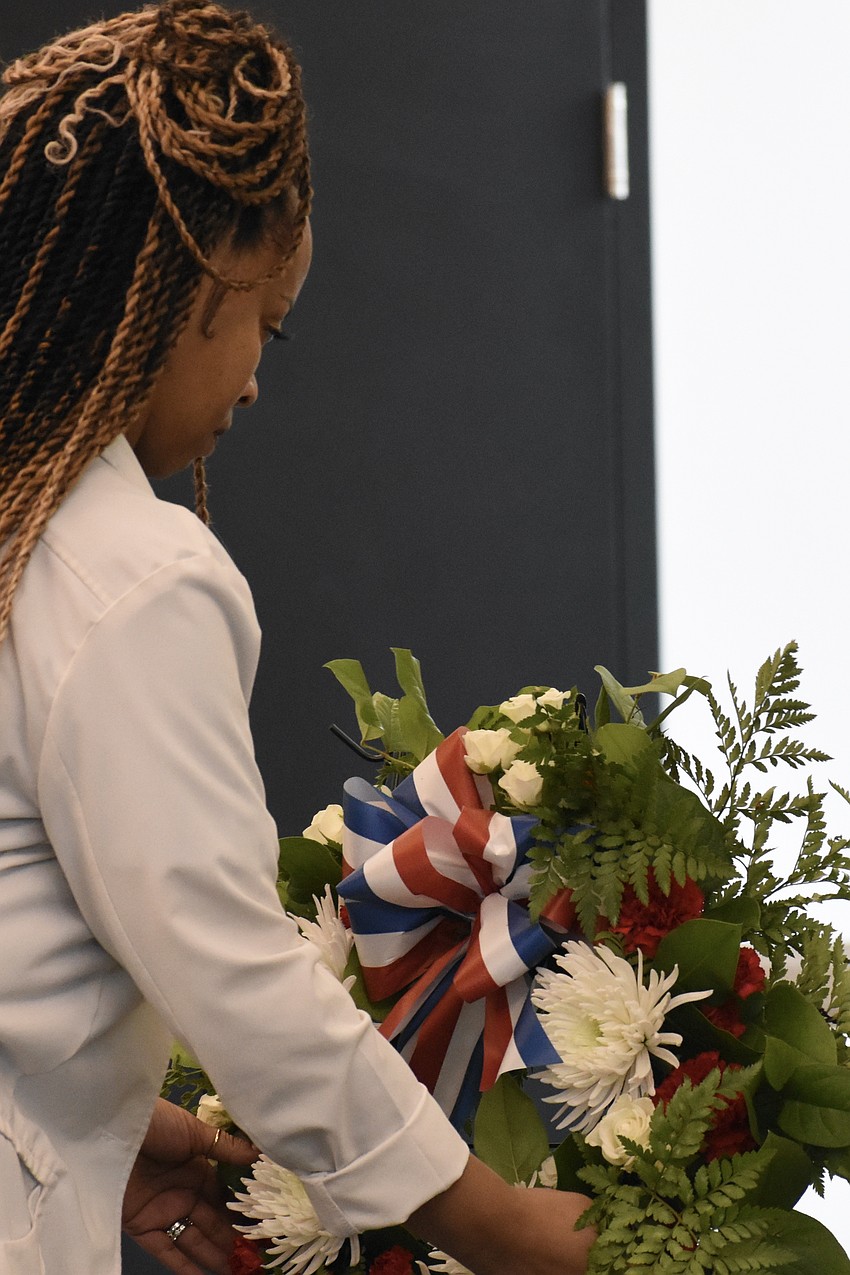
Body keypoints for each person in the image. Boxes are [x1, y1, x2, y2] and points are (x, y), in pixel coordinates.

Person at [0, 4, 595, 1273]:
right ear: (187, 286)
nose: (257, 380)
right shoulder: (134, 571)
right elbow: (233, 971)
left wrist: (86, 1123)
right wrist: (496, 1225)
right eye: (264, 325)